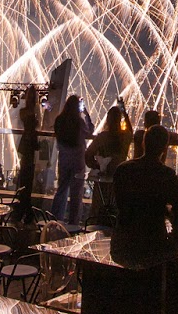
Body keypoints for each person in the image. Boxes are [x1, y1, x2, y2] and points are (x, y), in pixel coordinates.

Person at [112, 124, 178, 250]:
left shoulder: (123, 169)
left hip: (122, 240)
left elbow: (120, 203)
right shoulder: (166, 174)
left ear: (143, 143)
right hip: (154, 240)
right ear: (165, 148)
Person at [85, 106, 131, 225]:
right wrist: (125, 114)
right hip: (119, 180)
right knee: (115, 210)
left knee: (99, 208)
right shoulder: (124, 137)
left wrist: (97, 166)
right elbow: (130, 131)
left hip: (102, 180)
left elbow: (88, 154)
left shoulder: (102, 137)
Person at [51, 96, 94, 224]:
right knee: (76, 193)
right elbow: (90, 130)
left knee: (61, 189)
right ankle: (73, 223)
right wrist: (86, 114)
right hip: (77, 160)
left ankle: (55, 219)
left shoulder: (59, 120)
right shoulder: (79, 122)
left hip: (64, 158)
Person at [13, 100, 42, 222]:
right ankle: (26, 212)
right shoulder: (33, 123)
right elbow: (36, 145)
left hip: (25, 152)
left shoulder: (23, 113)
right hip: (29, 157)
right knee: (28, 183)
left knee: (24, 182)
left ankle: (21, 211)